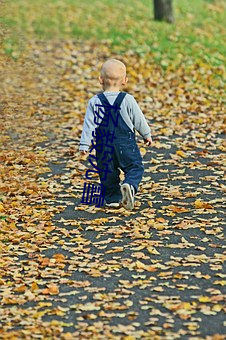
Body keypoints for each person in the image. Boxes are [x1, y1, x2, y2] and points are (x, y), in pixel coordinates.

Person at [79, 59, 152, 210]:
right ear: (125, 81)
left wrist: (84, 144)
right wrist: (146, 134)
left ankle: (112, 199)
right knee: (135, 167)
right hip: (125, 144)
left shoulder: (94, 101)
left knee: (107, 173)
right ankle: (129, 185)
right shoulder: (128, 100)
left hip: (104, 146)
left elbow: (89, 125)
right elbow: (138, 119)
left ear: (101, 79)